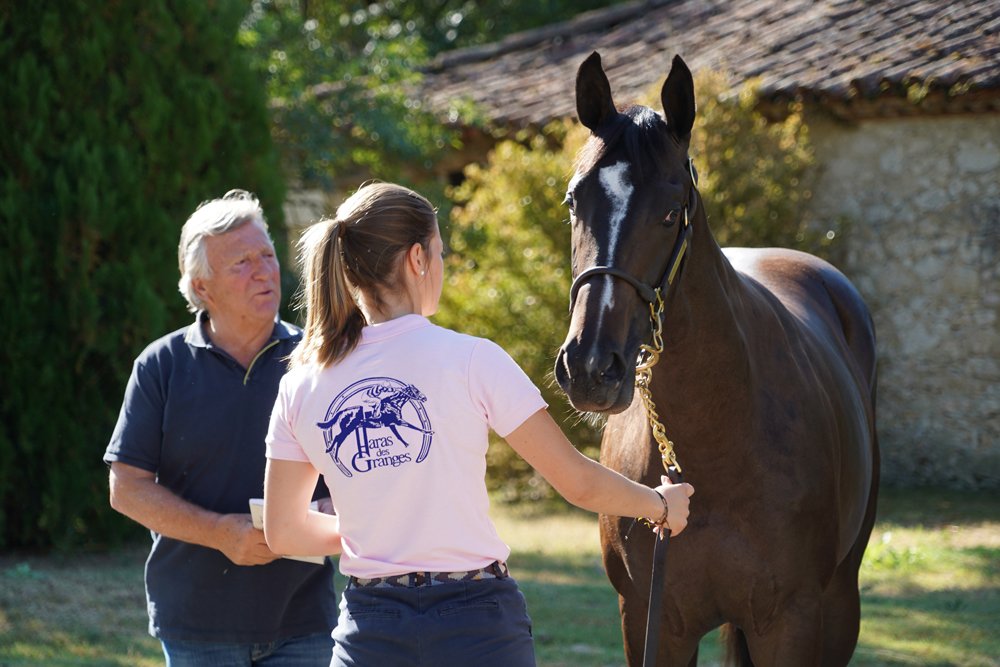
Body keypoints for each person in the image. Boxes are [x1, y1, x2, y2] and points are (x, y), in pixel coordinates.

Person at [263, 182, 695, 667]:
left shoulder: (299, 385)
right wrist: (659, 504)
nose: (441, 265)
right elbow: (576, 480)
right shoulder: (473, 359)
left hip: (370, 632)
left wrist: (379, 525)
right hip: (476, 625)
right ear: (417, 259)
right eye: (440, 252)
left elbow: (283, 532)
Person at [104, 190, 338, 666]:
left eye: (267, 255)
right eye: (241, 263)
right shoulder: (161, 365)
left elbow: (352, 472)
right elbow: (126, 489)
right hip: (197, 625)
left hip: (305, 622)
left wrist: (332, 512)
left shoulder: (318, 362)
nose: (264, 271)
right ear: (202, 286)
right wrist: (220, 533)